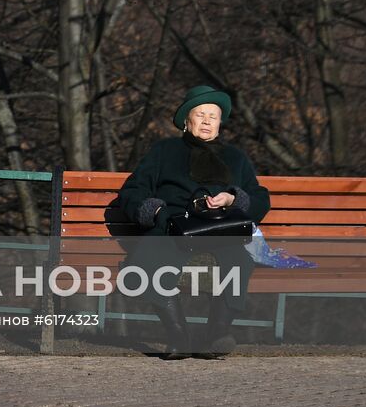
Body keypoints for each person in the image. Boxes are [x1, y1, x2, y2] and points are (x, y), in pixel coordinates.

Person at [115, 85, 271, 359]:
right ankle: (179, 336)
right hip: (173, 227)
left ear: (220, 124)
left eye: (214, 115)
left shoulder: (236, 158)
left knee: (241, 258)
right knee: (149, 257)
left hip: (221, 229)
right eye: (201, 114)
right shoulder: (164, 151)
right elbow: (133, 191)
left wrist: (233, 199)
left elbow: (260, 198)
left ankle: (213, 338)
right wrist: (155, 211)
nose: (208, 120)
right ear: (187, 121)